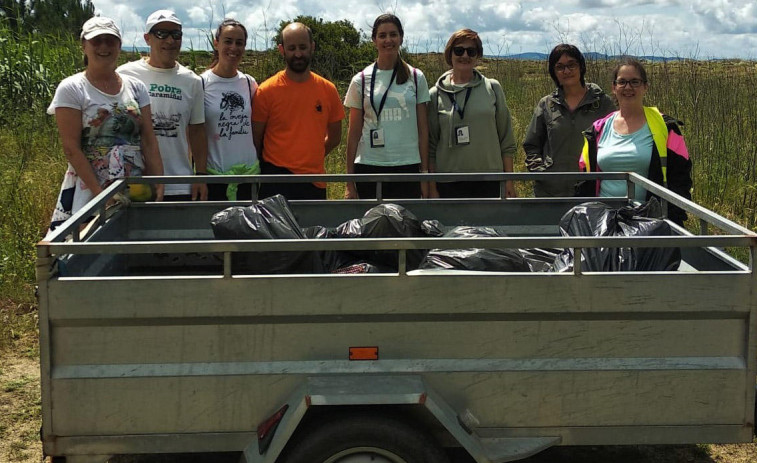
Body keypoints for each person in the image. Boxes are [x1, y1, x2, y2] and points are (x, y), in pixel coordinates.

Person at [47, 16, 163, 232]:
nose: (103, 46)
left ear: (119, 45)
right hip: (90, 189)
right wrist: (102, 195)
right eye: (96, 40)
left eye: (110, 41)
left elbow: (149, 139)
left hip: (134, 186)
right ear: (84, 46)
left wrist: (158, 181)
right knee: (89, 249)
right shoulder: (72, 89)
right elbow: (71, 149)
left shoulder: (136, 87)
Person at [578, 57, 692, 226]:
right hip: (604, 221)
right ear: (614, 87)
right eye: (622, 82)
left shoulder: (666, 128)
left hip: (649, 222)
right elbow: (584, 177)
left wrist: (669, 220)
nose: (628, 87)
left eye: (635, 82)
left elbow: (681, 178)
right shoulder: (597, 130)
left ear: (645, 87)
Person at [118, 10, 208, 201]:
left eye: (176, 35)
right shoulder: (125, 74)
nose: (170, 41)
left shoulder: (192, 81)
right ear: (147, 38)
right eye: (161, 34)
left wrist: (200, 175)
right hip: (136, 184)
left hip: (180, 184)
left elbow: (197, 131)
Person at [252, 22, 344, 200]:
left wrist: (311, 157)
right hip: (275, 181)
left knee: (313, 229)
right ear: (282, 49)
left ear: (312, 47)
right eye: (292, 48)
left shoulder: (328, 90)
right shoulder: (266, 90)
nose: (298, 54)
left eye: (303, 47)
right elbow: (256, 139)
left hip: (314, 181)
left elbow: (335, 137)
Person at [343, 13, 430, 199]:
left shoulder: (416, 77)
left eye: (393, 34)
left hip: (408, 167)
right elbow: (353, 134)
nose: (388, 40)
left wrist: (425, 176)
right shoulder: (360, 80)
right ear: (374, 40)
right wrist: (349, 182)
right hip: (369, 166)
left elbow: (423, 130)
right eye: (382, 35)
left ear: (401, 37)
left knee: (406, 227)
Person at [427, 28, 517, 198]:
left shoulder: (493, 88)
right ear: (450, 54)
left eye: (471, 51)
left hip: (490, 180)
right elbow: (431, 146)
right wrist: (432, 186)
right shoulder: (435, 94)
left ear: (477, 56)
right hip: (448, 182)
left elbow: (506, 139)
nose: (465, 55)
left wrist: (509, 180)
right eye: (459, 50)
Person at [523, 44, 615, 197]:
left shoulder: (602, 103)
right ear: (554, 72)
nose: (566, 71)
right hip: (550, 192)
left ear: (581, 66)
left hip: (591, 190)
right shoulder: (546, 104)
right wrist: (542, 173)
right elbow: (531, 145)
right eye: (560, 67)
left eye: (571, 65)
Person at [200, 19, 259, 201]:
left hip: (249, 176)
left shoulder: (249, 83)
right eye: (228, 41)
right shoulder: (201, 84)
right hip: (215, 177)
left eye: (239, 43)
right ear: (216, 43)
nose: (233, 48)